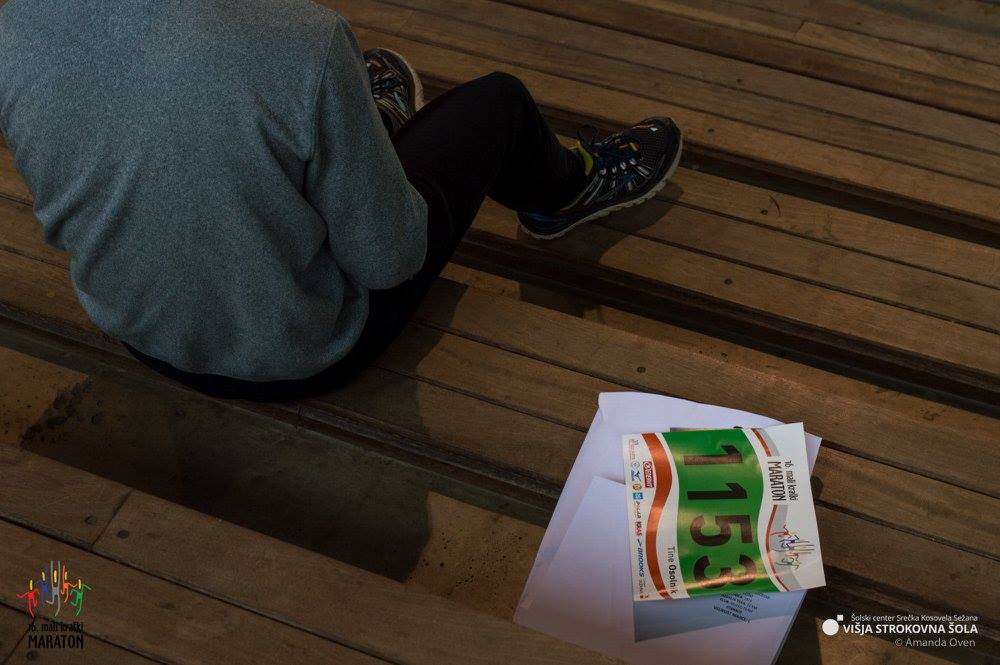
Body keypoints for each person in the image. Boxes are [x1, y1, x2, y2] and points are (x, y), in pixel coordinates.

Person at [0, 0, 682, 402]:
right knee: (497, 103)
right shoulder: (303, 38)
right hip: (301, 353)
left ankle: (362, 123)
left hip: (141, 332)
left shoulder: (15, 26)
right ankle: (570, 188)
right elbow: (390, 260)